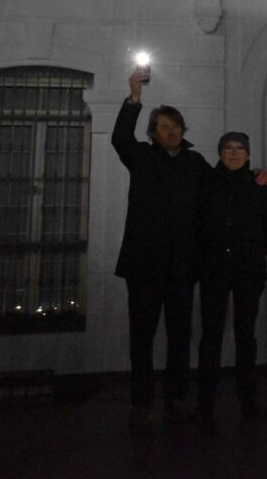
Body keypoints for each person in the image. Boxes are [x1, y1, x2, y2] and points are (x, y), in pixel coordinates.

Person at [111, 69, 211, 427]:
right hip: (143, 265)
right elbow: (120, 138)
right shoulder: (140, 156)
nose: (171, 133)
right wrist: (134, 97)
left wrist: (257, 175)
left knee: (180, 336)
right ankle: (141, 404)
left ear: (183, 131)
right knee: (142, 336)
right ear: (153, 133)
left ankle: (176, 399)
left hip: (183, 266)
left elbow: (219, 193)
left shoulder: (196, 163)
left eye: (176, 127)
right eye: (164, 128)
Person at [197, 132, 267, 421]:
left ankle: (248, 401)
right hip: (215, 270)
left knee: (246, 336)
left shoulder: (258, 184)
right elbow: (198, 224)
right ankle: (205, 404)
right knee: (211, 337)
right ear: (220, 153)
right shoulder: (207, 182)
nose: (233, 153)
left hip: (247, 272)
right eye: (228, 148)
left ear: (248, 154)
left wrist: (251, 253)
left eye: (239, 148)